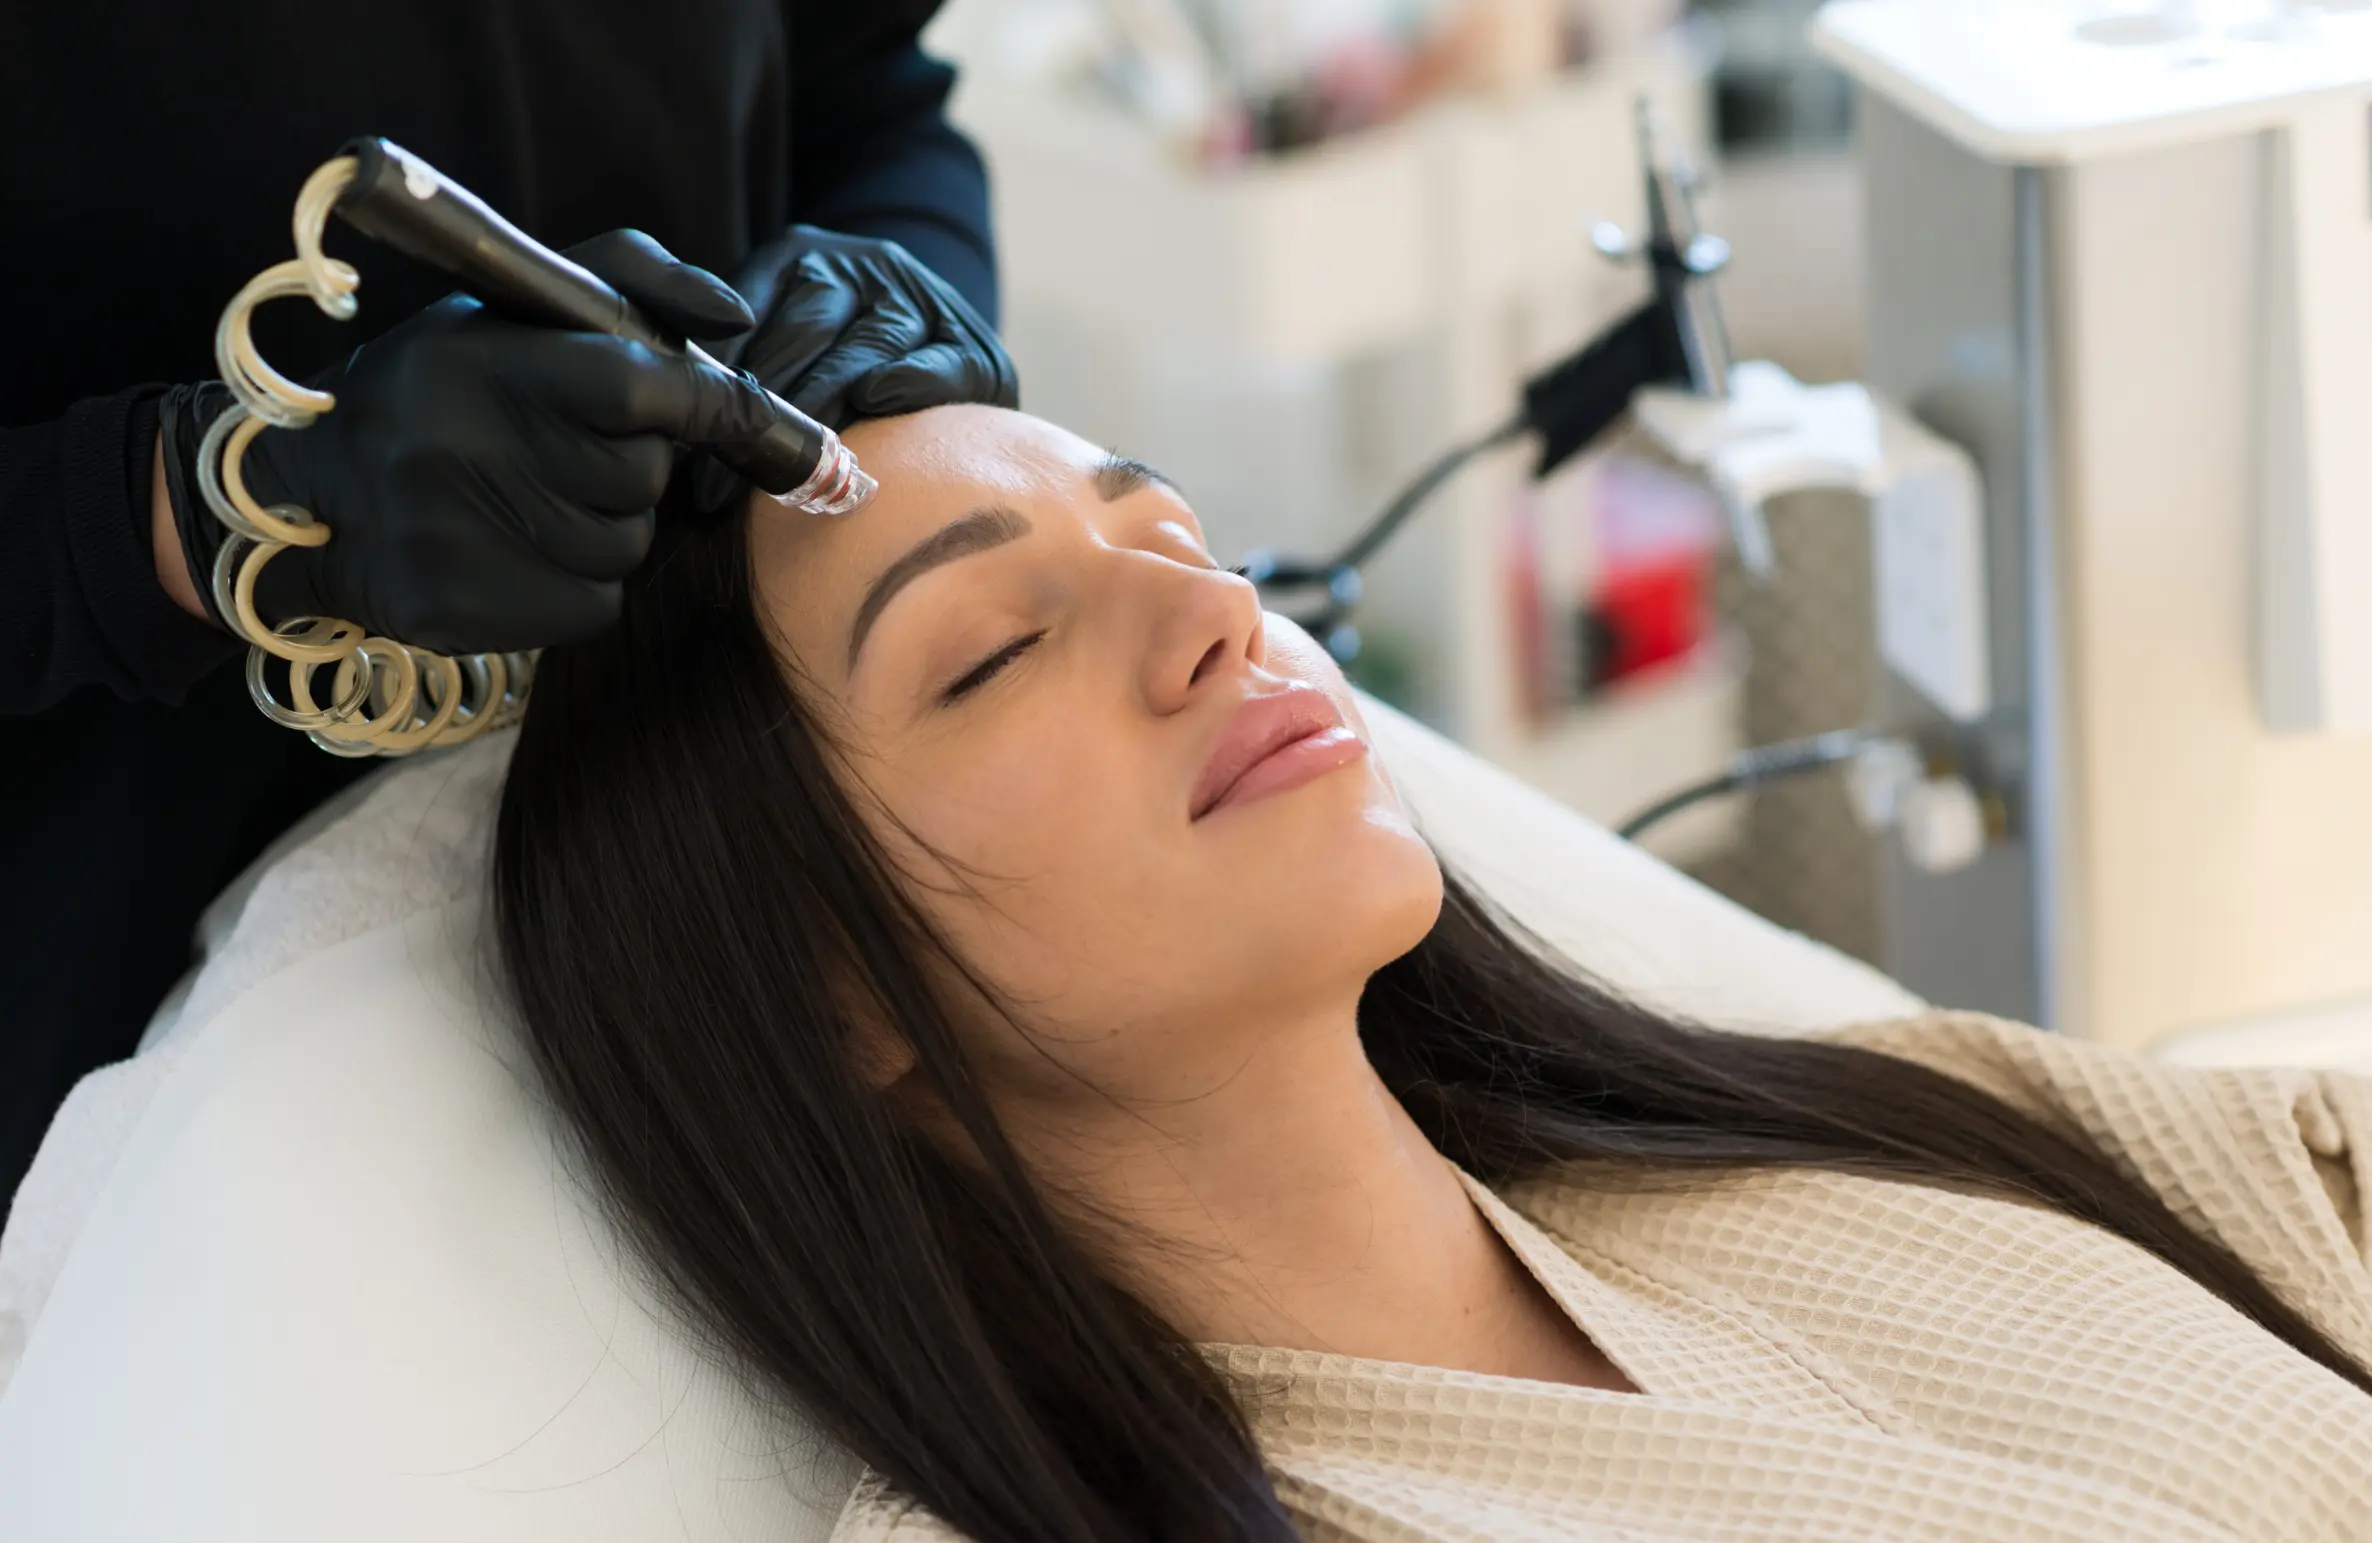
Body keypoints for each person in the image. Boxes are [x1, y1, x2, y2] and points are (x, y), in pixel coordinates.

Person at [493, 402, 2372, 1543]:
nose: (1216, 618)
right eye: (992, 649)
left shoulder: (1856, 1134)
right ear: (826, 991)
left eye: (1179, 539)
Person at [0, 3, 1017, 1216]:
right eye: (998, 655)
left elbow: (866, 94)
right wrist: (183, 508)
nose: (1215, 621)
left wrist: (898, 275)